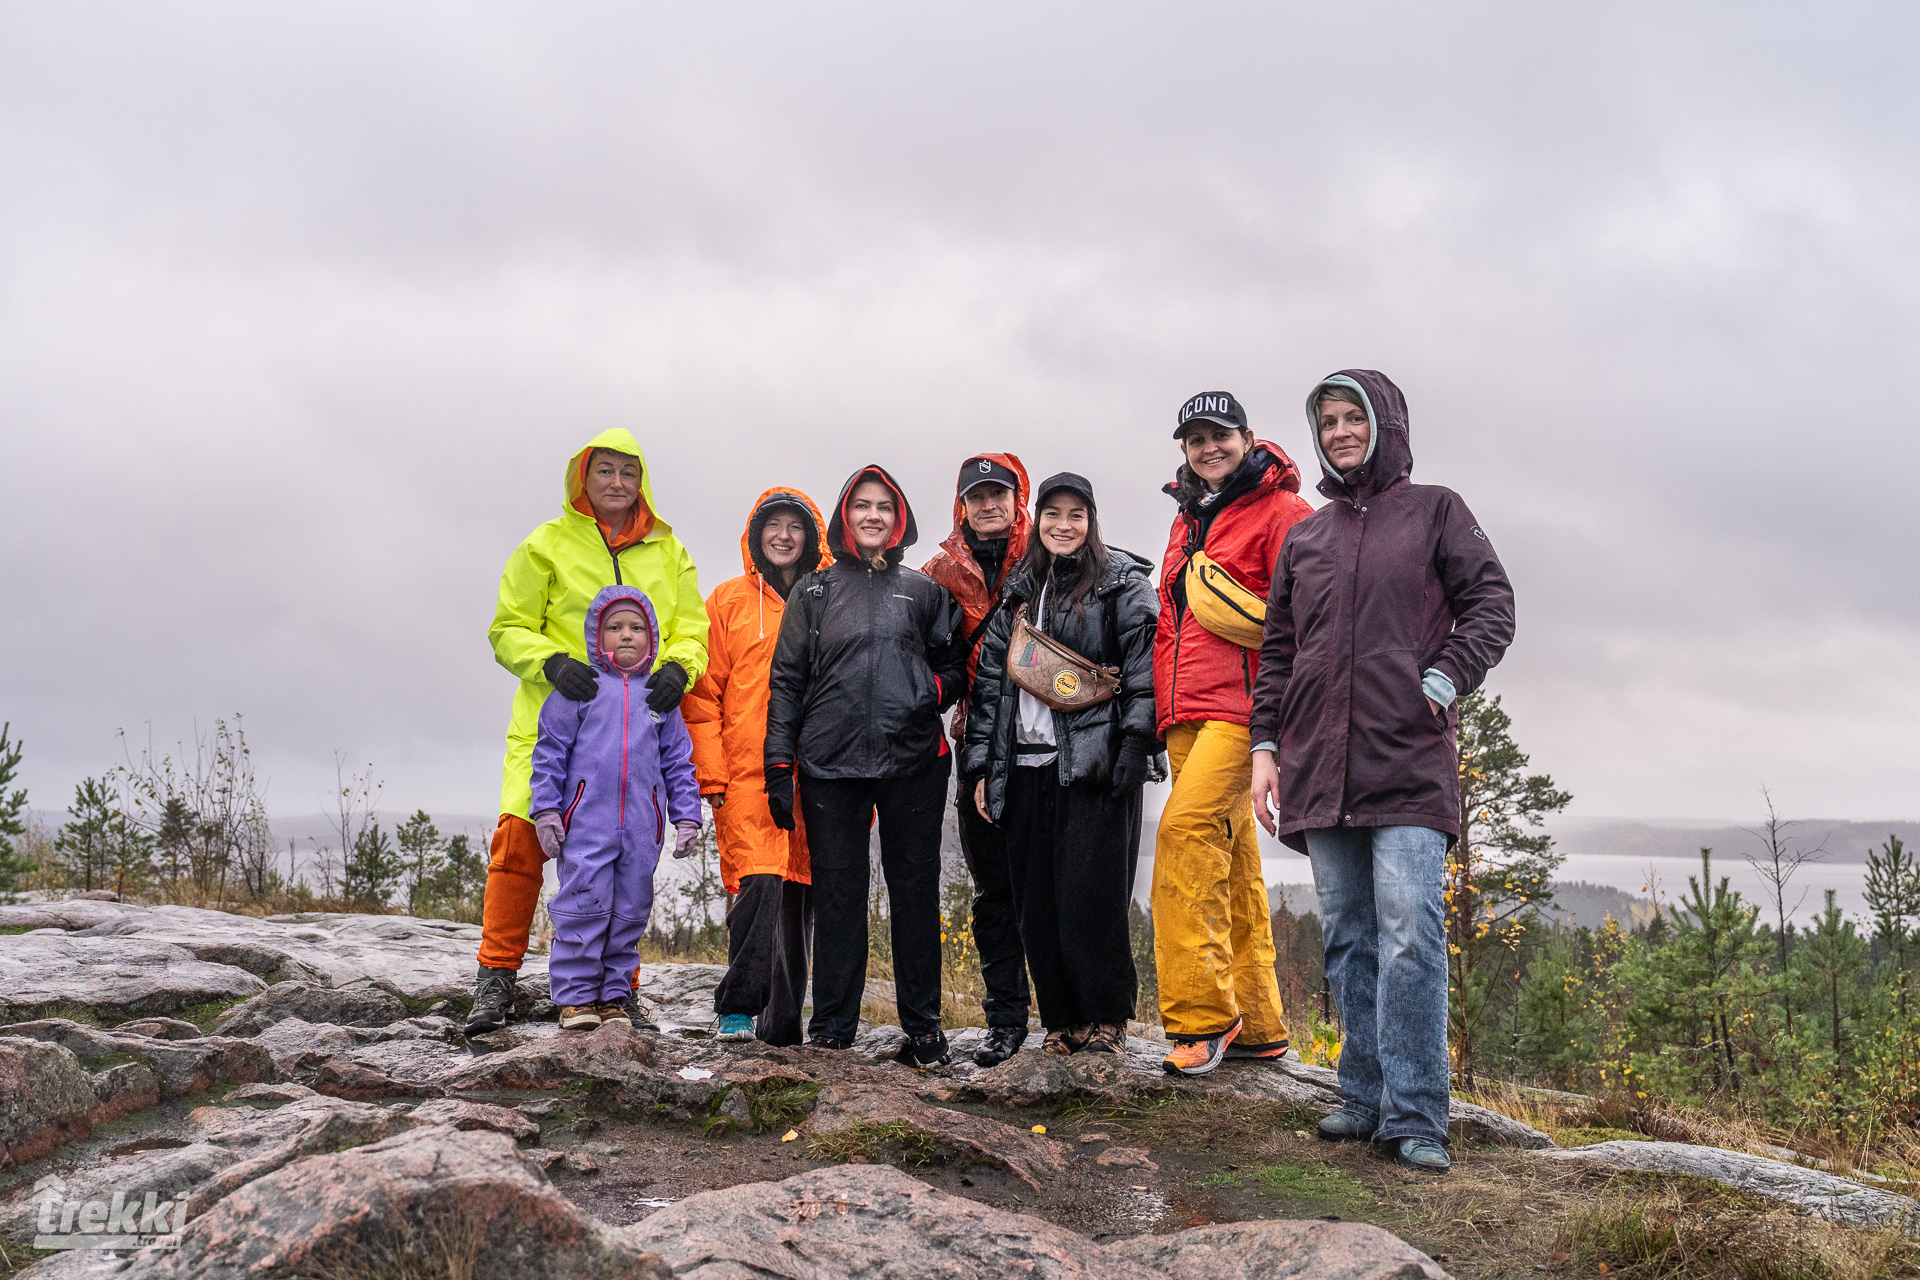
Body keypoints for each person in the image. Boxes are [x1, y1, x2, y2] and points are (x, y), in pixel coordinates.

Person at [1250, 370, 1515, 1175]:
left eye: (1351, 417)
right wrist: (1267, 749)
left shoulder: (1436, 509)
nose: (1338, 431)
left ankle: (1416, 1115)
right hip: (1319, 764)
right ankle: (1361, 1097)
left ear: (1384, 423)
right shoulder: (1308, 537)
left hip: (1408, 760)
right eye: (1326, 420)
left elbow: (1492, 604)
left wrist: (1443, 677)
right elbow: (1280, 654)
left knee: (1410, 936)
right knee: (1349, 938)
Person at [471, 430, 708, 1034]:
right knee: (520, 843)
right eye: (605, 470)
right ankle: (495, 982)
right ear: (583, 475)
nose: (617, 483)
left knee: (628, 867)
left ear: (643, 481)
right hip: (553, 722)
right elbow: (508, 628)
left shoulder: (669, 551)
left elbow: (691, 628)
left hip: (635, 733)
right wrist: (550, 662)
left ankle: (617, 992)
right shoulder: (545, 545)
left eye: (629, 473)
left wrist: (679, 670)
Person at [764, 465, 966, 1066]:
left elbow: (957, 664)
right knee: (840, 896)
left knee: (913, 892)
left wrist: (928, 691)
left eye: (883, 506)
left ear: (897, 517)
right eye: (861, 506)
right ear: (844, 517)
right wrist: (779, 764)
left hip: (914, 764)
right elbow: (787, 681)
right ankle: (832, 1027)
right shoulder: (815, 592)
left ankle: (924, 1028)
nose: (872, 515)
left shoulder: (923, 591)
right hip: (830, 765)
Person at [963, 473, 1156, 1055]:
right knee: (1037, 900)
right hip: (1024, 766)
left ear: (1092, 520)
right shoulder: (1021, 589)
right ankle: (1062, 1022)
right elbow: (991, 686)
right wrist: (980, 769)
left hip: (1093, 765)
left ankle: (1106, 1018)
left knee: (1091, 896)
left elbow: (1144, 671)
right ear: (1037, 519)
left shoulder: (1122, 582)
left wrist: (1135, 747)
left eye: (1076, 514)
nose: (1063, 525)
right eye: (1053, 514)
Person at [1151, 391, 1314, 1075]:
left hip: (1243, 712)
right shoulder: (1187, 520)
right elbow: (1171, 622)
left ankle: (1201, 1018)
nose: (1208, 448)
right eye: (1195, 439)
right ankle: (1259, 1024)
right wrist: (1159, 712)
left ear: (1247, 437)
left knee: (1184, 836)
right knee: (1235, 861)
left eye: (1220, 435)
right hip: (1186, 713)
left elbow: (1313, 612)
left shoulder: (1284, 513)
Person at [683, 487, 834, 1046]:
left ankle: (782, 1026)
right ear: (755, 533)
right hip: (745, 775)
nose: (784, 535)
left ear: (812, 535)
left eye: (796, 525)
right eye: (774, 525)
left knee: (800, 895)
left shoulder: (827, 597)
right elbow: (702, 698)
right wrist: (713, 777)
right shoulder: (726, 602)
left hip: (814, 771)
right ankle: (737, 1007)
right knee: (760, 885)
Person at [530, 587, 702, 1028]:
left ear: (652, 636)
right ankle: (575, 999)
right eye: (615, 627)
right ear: (596, 635)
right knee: (582, 906)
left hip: (642, 829)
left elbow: (679, 763)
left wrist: (686, 816)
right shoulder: (579, 690)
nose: (626, 636)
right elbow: (550, 753)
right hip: (586, 824)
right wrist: (547, 810)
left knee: (630, 910)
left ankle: (613, 997)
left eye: (636, 628)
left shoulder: (661, 699)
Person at [921, 453, 1034, 1067]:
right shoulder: (937, 573)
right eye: (976, 496)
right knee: (994, 889)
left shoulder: (1045, 554)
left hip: (1048, 742)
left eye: (1000, 494)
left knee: (1051, 882)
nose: (988, 505)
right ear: (960, 504)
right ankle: (1006, 1021)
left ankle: (1077, 1018)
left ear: (1018, 499)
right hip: (978, 745)